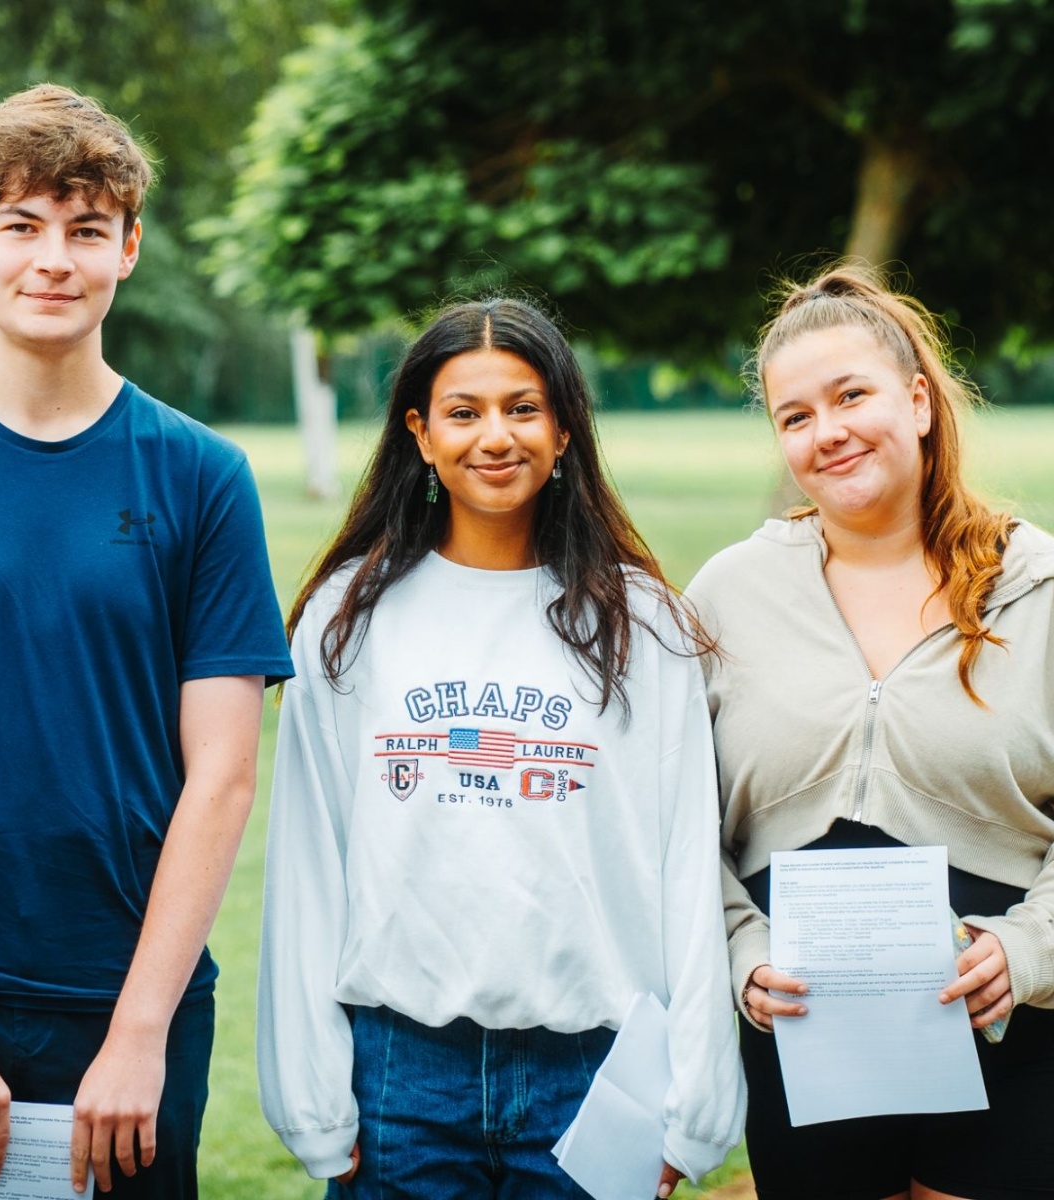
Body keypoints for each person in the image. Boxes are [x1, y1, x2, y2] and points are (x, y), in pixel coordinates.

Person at [0, 84, 292, 1197]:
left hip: (128, 1008)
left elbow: (224, 777)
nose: (54, 259)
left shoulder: (202, 476)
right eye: (22, 225)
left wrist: (140, 1032)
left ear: (129, 248)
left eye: (87, 229)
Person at [257, 297, 745, 1198]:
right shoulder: (345, 623)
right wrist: (315, 1100)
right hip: (399, 1080)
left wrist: (696, 1097)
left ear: (564, 430)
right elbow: (307, 867)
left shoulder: (643, 625)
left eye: (523, 408)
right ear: (420, 432)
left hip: (596, 1079)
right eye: (464, 411)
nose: (496, 436)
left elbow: (685, 865)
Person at [687, 264, 1054, 1200]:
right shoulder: (729, 595)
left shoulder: (1040, 588)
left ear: (922, 402)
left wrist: (1028, 952)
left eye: (852, 395)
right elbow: (674, 830)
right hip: (805, 1048)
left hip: (1014, 1047)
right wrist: (741, 955)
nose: (829, 432)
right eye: (796, 415)